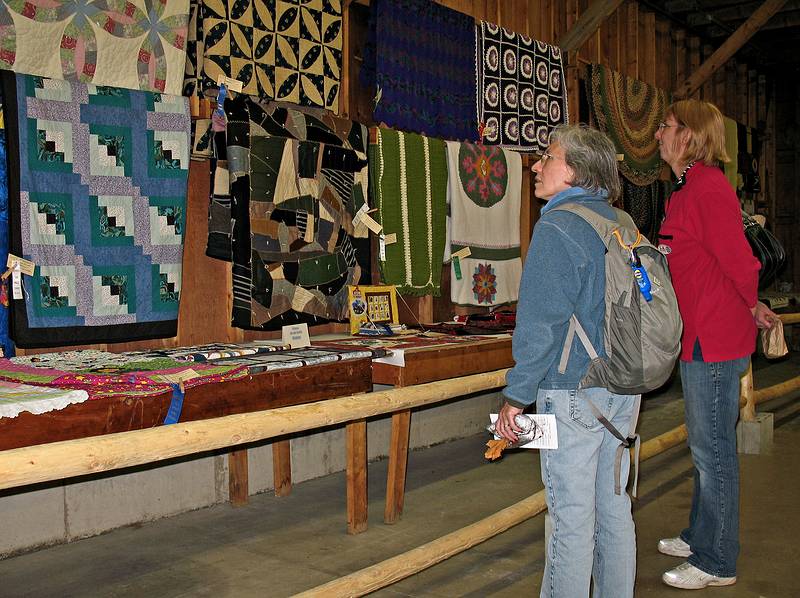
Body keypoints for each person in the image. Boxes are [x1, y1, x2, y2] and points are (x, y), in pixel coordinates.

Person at [495, 124, 639, 598]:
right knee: (614, 510)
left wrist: (517, 397)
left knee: (570, 520)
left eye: (547, 157)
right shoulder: (623, 224)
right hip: (624, 389)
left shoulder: (557, 227)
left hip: (572, 393)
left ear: (574, 170)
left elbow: (541, 322)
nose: (536, 166)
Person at [654, 99, 776, 590]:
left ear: (689, 136)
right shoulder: (684, 191)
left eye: (665, 127)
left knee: (714, 451)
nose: (658, 134)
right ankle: (699, 532)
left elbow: (739, 260)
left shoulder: (708, 189)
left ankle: (717, 560)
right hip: (696, 334)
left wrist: (751, 304)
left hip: (715, 338)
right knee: (704, 444)